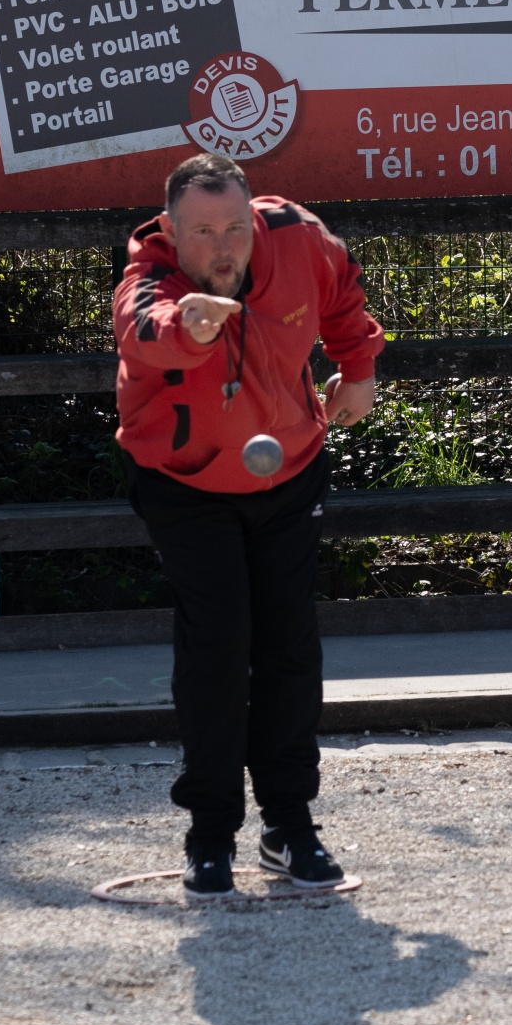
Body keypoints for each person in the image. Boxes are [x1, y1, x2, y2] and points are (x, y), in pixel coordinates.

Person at [113, 153, 384, 898]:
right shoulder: (150, 278)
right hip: (183, 484)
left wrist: (358, 365)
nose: (223, 246)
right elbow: (143, 330)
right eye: (202, 232)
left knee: (289, 643)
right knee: (218, 647)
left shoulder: (296, 235)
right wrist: (191, 324)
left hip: (289, 471)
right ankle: (209, 836)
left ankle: (289, 826)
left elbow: (342, 287)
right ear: (172, 230)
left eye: (234, 227)